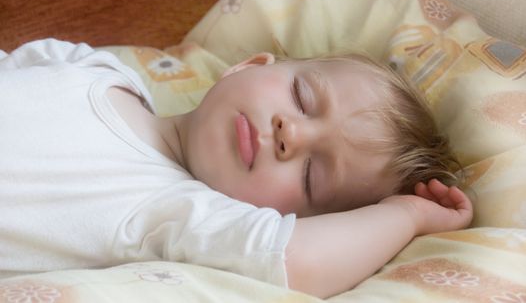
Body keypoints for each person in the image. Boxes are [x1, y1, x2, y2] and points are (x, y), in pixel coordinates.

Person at [0, 39, 472, 298]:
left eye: (312, 175)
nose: (292, 135)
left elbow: (297, 261)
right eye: (302, 98)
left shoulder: (179, 211)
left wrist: (405, 215)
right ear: (247, 65)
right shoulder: (97, 68)